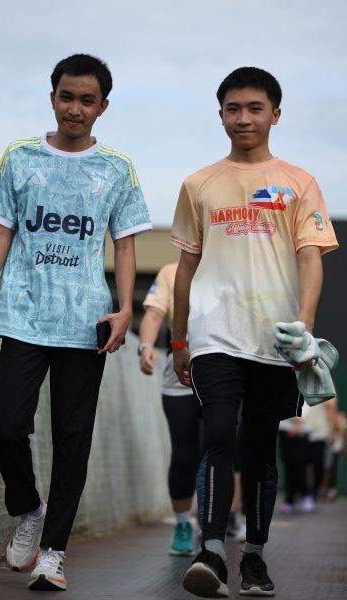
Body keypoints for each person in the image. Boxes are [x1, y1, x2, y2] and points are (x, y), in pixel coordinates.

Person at [0, 53, 151, 591]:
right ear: (52, 98)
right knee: (5, 423)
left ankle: (53, 553)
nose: (75, 108)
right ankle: (29, 507)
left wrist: (125, 308)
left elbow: (125, 242)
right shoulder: (19, 157)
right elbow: (1, 230)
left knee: (73, 438)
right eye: (66, 97)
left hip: (85, 321)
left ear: (103, 107)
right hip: (25, 314)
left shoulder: (117, 168)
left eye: (87, 100)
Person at [170, 67, 338, 597]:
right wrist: (179, 340)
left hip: (277, 340)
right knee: (219, 433)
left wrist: (304, 329)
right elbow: (185, 268)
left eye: (254, 108)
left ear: (275, 114)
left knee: (261, 447)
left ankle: (255, 559)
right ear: (221, 114)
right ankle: (212, 552)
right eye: (233, 109)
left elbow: (310, 259)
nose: (243, 118)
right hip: (214, 335)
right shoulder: (198, 183)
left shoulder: (299, 183)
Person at [139, 262, 202, 556]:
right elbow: (154, 314)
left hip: (227, 366)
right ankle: (183, 523)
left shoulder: (234, 258)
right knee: (184, 455)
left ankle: (215, 523)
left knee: (219, 449)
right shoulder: (171, 272)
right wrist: (146, 346)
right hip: (181, 369)